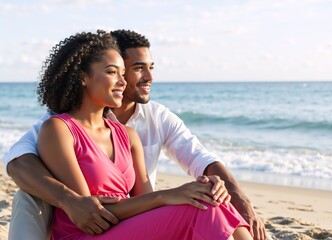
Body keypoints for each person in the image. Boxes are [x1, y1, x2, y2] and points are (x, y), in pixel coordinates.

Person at [3, 30, 267, 240]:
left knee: (211, 199)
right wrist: (169, 195)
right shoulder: (57, 128)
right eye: (112, 72)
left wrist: (206, 186)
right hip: (88, 231)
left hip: (128, 226)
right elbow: (88, 213)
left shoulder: (128, 134)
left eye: (122, 73)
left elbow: (156, 189)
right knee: (200, 207)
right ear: (83, 77)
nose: (123, 81)